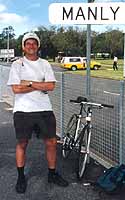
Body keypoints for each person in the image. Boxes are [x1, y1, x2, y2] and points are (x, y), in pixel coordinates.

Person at [7, 32, 68, 193]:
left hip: (44, 109)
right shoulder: (17, 64)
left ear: (38, 46)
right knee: (22, 143)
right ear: (23, 46)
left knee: (51, 143)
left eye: (34, 43)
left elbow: (51, 86)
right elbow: (15, 89)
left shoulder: (45, 64)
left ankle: (52, 174)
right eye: (28, 43)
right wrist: (39, 84)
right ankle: (21, 177)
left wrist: (29, 83)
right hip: (23, 110)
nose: (31, 46)